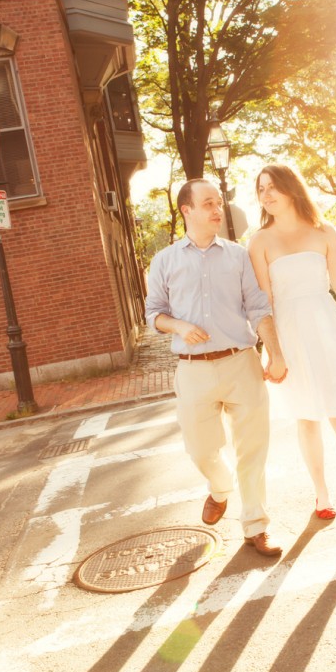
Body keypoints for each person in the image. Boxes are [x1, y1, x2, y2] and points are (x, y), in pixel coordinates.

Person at [145, 178, 287, 558]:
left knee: (253, 450)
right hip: (193, 371)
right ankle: (220, 488)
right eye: (207, 203)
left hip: (242, 362)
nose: (216, 209)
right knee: (200, 449)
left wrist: (274, 353)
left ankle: (256, 525)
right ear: (186, 210)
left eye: (219, 202)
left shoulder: (238, 256)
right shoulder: (165, 261)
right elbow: (153, 314)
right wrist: (178, 326)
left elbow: (259, 308)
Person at [249, 163, 336, 525]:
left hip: (328, 327)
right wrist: (272, 351)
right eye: (260, 189)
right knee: (307, 418)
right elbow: (264, 302)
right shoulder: (259, 241)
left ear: (291, 188)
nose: (266, 194)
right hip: (289, 333)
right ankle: (321, 495)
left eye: (272, 186)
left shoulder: (324, 232)